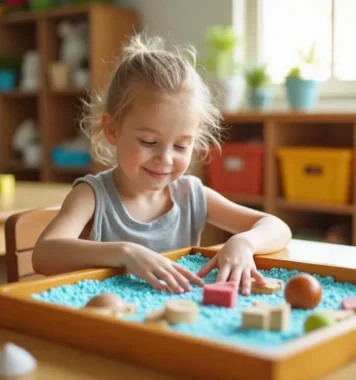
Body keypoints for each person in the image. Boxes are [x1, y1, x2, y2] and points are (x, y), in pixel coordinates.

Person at [32, 33, 292, 296]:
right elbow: (44, 254)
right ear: (112, 130)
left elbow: (277, 227)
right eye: (148, 141)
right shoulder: (92, 195)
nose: (166, 159)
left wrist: (244, 242)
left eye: (181, 146)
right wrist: (126, 252)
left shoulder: (190, 194)